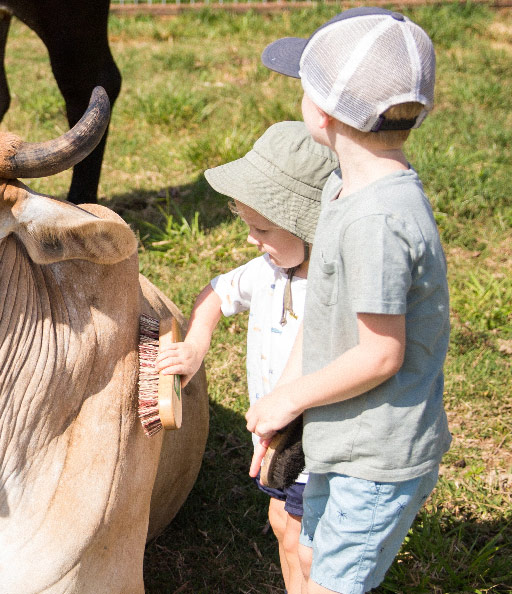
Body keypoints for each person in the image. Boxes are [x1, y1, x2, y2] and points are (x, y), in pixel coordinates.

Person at [246, 7, 451, 594]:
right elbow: (323, 310)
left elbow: (380, 356)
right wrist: (282, 405)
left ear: (325, 112)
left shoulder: (380, 221)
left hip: (377, 458)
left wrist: (292, 399)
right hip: (339, 435)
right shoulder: (343, 186)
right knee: (311, 564)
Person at [156, 120, 337, 594]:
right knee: (282, 522)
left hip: (318, 440)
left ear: (308, 226)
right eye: (248, 225)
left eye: (263, 228)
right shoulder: (267, 269)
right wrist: (196, 345)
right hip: (274, 437)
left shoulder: (335, 285)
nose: (251, 239)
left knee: (307, 539)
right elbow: (215, 295)